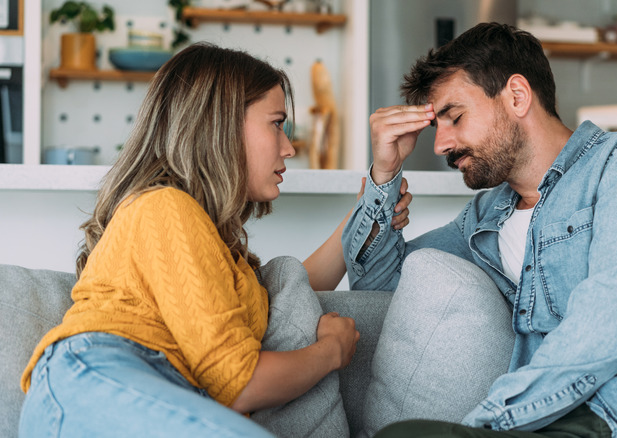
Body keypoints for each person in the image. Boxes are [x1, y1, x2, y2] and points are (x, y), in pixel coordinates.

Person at [341, 22, 617, 437]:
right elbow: (378, 285)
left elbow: (608, 321)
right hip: (572, 421)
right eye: (436, 126)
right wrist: (384, 174)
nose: (440, 145)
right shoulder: (483, 221)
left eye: (454, 116)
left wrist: (486, 423)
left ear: (516, 96)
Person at [18, 43, 412, 437]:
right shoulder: (164, 207)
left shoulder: (217, 250)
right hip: (98, 380)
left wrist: (374, 203)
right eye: (277, 123)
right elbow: (239, 384)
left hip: (141, 387)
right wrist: (330, 352)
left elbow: (292, 288)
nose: (289, 147)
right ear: (220, 125)